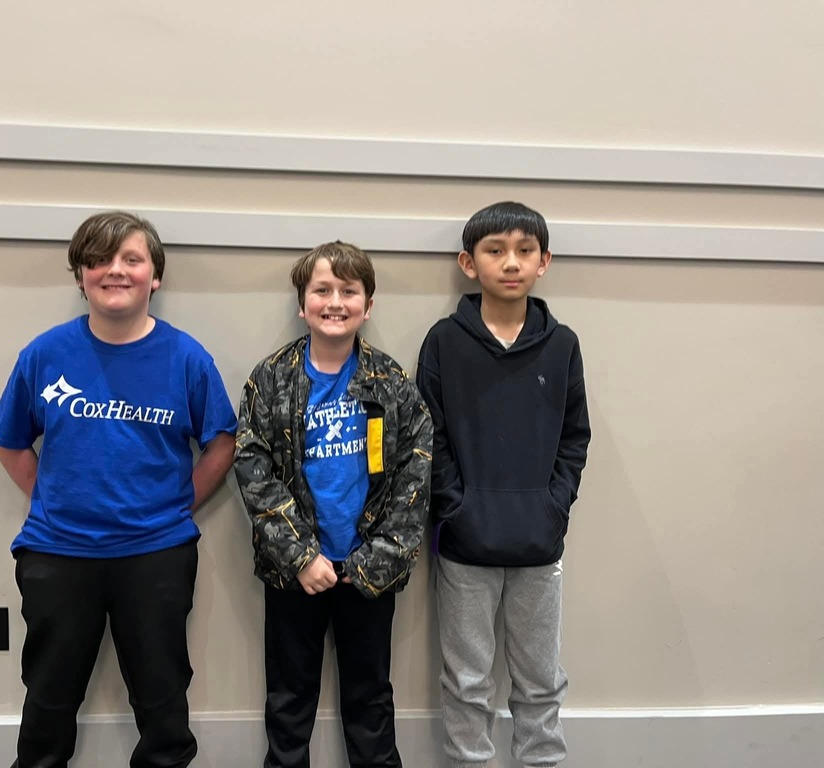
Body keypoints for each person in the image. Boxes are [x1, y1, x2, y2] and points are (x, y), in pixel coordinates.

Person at [0, 211, 237, 768]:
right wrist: (52, 498)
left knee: (163, 703)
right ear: (81, 276)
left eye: (131, 259)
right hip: (58, 553)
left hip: (156, 554)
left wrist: (175, 506)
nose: (115, 271)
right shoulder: (45, 354)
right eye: (99, 259)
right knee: (48, 703)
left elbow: (221, 443)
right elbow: (8, 441)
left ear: (156, 276)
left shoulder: (187, 357)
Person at [234, 241, 432, 768]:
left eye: (349, 290)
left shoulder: (390, 383)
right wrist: (299, 556)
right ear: (302, 304)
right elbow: (252, 468)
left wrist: (380, 558)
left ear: (369, 304)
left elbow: (417, 469)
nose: (335, 301)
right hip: (294, 573)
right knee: (289, 699)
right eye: (322, 290)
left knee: (370, 700)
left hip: (368, 572)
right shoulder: (270, 379)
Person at [416, 201, 590, 768]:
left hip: (540, 546)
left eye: (524, 251)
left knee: (540, 681)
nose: (510, 263)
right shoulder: (443, 342)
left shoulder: (562, 345)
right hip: (465, 548)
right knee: (467, 682)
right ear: (469, 263)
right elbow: (429, 437)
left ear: (544, 262)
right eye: (495, 251)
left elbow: (574, 437)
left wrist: (553, 508)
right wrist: (455, 507)